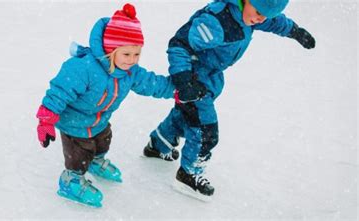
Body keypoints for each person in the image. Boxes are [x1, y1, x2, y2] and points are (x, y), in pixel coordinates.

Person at [143, 0, 316, 201]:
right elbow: (180, 44)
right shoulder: (217, 20)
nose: (260, 19)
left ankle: (159, 144)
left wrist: (296, 32)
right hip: (195, 77)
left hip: (210, 76)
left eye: (264, 16)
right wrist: (184, 79)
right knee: (205, 127)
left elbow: (275, 22)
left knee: (187, 114)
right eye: (259, 12)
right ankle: (189, 174)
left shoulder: (251, 15)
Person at [36, 3, 205, 208]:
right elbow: (58, 92)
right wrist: (46, 120)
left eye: (137, 54)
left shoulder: (130, 72)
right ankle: (70, 179)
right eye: (126, 54)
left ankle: (97, 162)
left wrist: (177, 90)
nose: (132, 60)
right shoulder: (84, 68)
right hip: (74, 123)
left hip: (99, 119)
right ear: (110, 50)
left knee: (103, 140)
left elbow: (151, 83)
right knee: (81, 151)